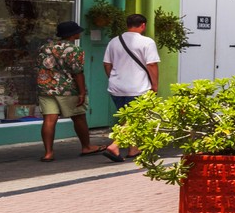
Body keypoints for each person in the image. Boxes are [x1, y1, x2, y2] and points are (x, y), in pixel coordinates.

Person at [102, 14, 162, 162]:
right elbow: (152, 64)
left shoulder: (114, 42)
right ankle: (115, 146)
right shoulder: (147, 42)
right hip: (138, 87)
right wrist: (155, 85)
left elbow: (107, 64)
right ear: (143, 25)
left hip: (117, 87)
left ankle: (133, 149)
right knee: (135, 119)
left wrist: (113, 78)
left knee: (126, 119)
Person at [38, 21, 99, 162]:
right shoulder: (75, 50)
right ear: (72, 34)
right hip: (67, 89)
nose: (79, 33)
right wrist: (82, 92)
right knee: (79, 117)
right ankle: (86, 146)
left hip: (46, 87)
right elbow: (78, 73)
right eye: (77, 31)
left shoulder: (45, 48)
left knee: (49, 119)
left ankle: (48, 153)